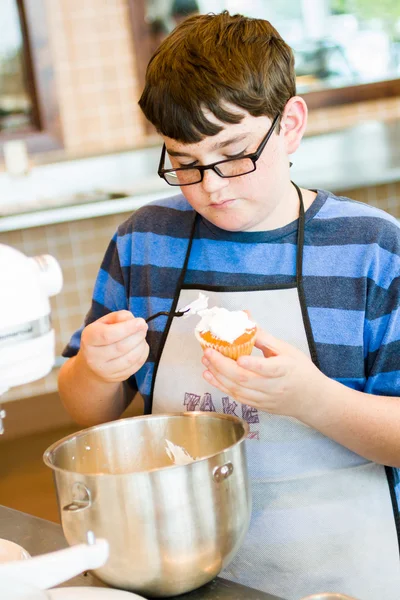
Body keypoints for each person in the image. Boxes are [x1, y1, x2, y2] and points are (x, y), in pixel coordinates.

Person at [58, 11, 400, 600]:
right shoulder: (146, 241)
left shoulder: (371, 250)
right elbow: (87, 413)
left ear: (290, 125)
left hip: (340, 575)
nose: (211, 185)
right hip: (177, 566)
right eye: (184, 163)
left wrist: (310, 398)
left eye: (233, 154)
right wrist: (95, 368)